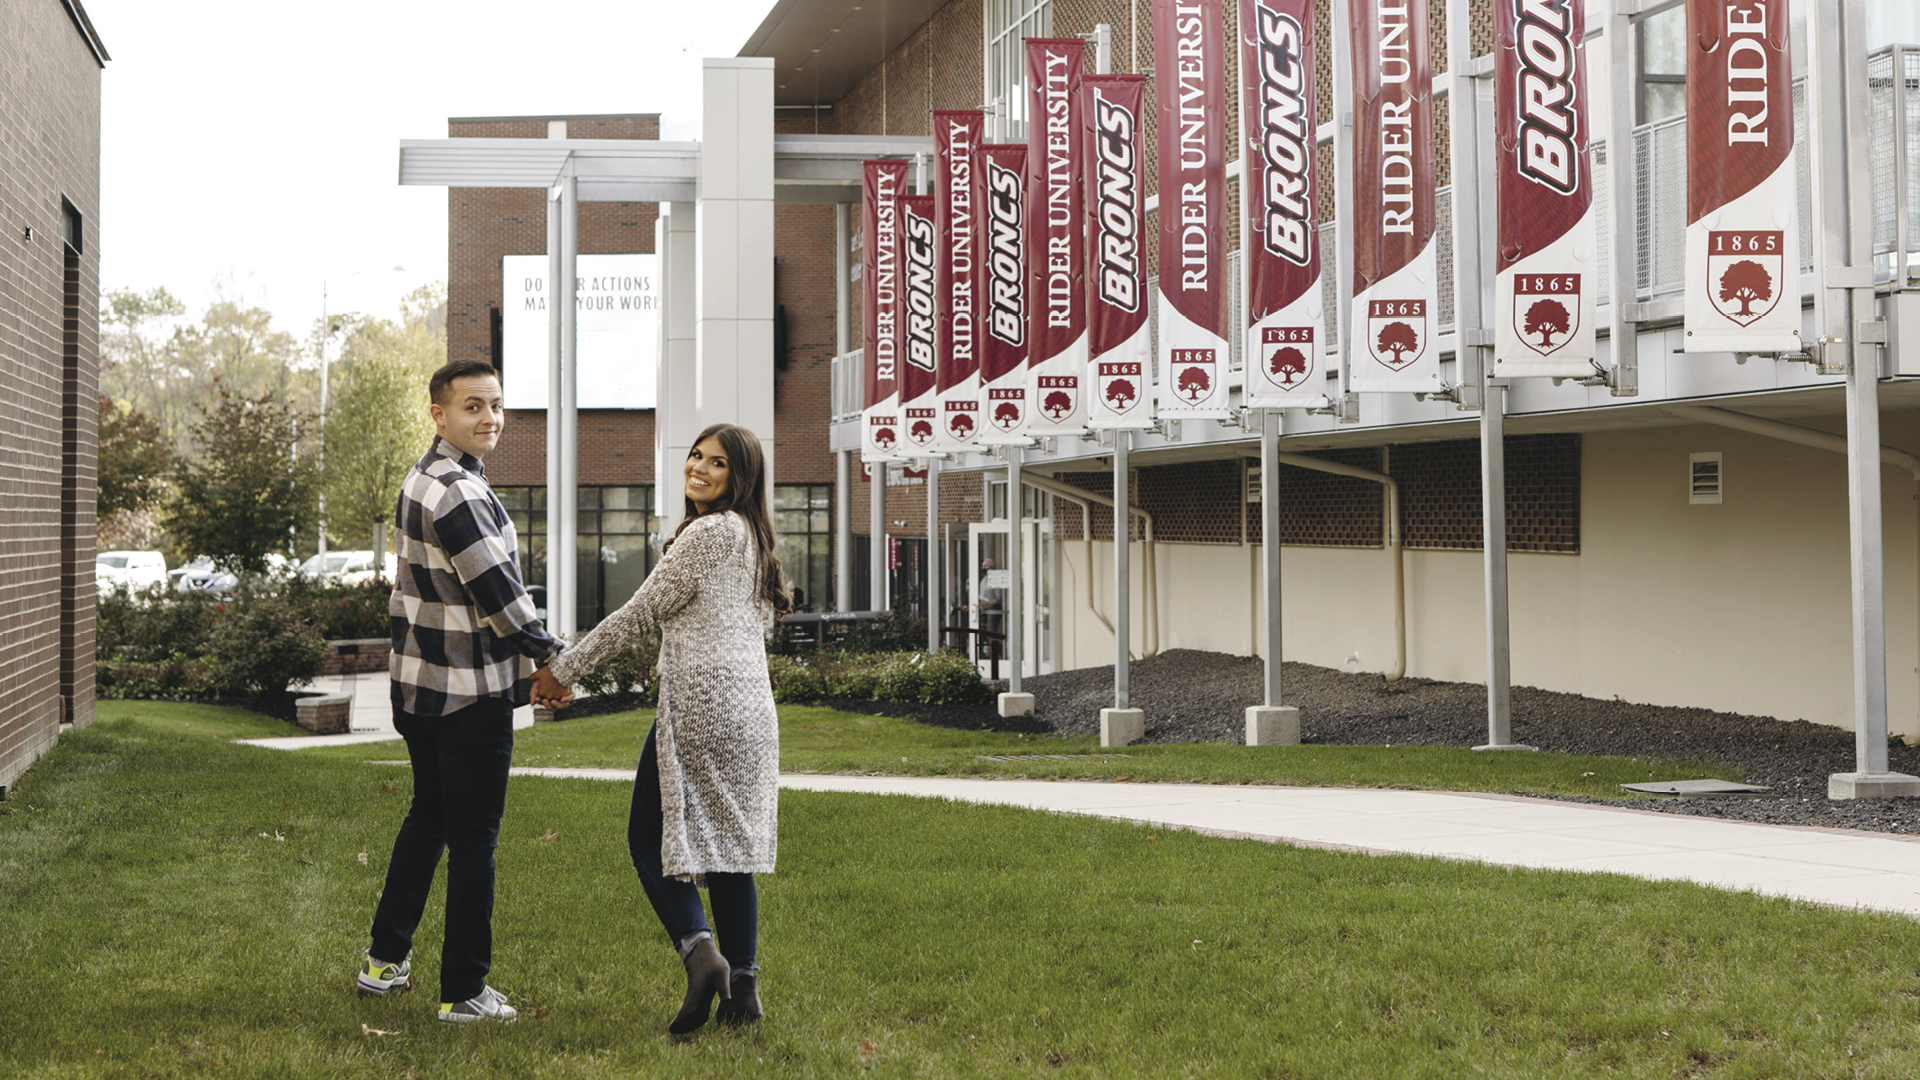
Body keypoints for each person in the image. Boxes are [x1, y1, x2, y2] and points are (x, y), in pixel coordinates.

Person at [534, 423, 788, 1035]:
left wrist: (562, 670)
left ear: (740, 477)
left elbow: (641, 612)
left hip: (703, 706)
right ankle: (744, 995)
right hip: (754, 712)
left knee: (647, 839)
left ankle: (702, 956)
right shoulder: (754, 538)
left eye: (717, 463)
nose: (699, 468)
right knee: (731, 855)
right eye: (696, 456)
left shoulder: (709, 532)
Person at [359, 358, 572, 1025]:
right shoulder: (456, 489)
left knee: (430, 819)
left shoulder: (427, 477)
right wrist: (550, 656)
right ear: (439, 414)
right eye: (473, 407)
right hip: (466, 695)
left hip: (420, 690)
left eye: (496, 405)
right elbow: (498, 595)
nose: (490, 419)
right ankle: (464, 992)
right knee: (475, 839)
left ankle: (384, 962)